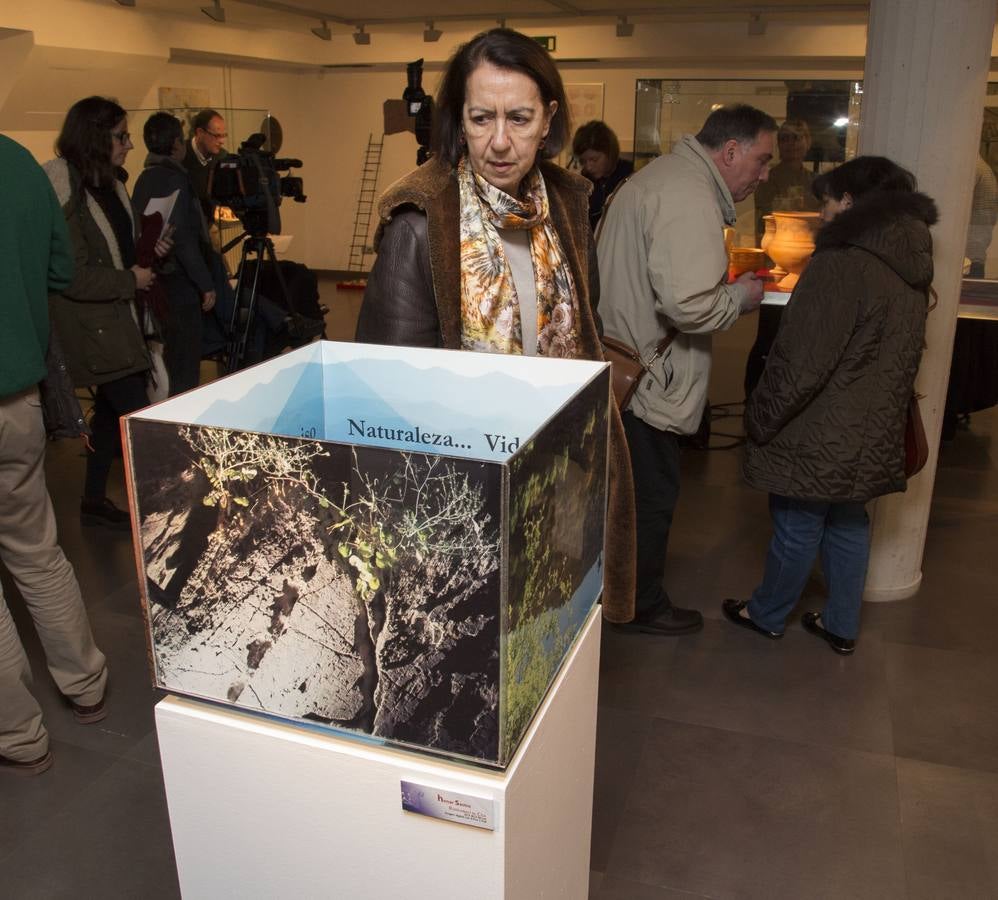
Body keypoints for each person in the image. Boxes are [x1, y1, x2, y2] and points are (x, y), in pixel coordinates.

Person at [356, 27, 635, 624]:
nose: (500, 143)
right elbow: (391, 394)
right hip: (466, 487)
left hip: (561, 469)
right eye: (481, 119)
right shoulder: (421, 224)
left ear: (549, 119)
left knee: (551, 628)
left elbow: (584, 329)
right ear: (459, 119)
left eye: (519, 118)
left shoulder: (564, 207)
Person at [723, 156, 936, 654]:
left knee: (798, 522)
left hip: (818, 426)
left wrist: (761, 418)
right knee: (848, 521)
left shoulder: (842, 262)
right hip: (872, 425)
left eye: (827, 201)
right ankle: (841, 624)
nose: (821, 215)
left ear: (850, 201)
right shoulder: (912, 261)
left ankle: (767, 613)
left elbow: (802, 361)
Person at [597, 104, 776, 635]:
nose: (764, 174)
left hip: (623, 364)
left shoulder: (663, 179)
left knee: (626, 495)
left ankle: (616, 594)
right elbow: (690, 305)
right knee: (649, 498)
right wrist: (741, 298)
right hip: (648, 380)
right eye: (761, 161)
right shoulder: (689, 196)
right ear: (730, 152)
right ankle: (639, 605)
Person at [0, 134, 109, 777]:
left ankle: (18, 735)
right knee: (37, 552)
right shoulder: (15, 161)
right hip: (18, 403)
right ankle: (87, 687)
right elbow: (61, 272)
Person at [44, 96, 162, 529]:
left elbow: (118, 250)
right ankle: (169, 505)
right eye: (121, 136)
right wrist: (131, 279)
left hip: (115, 319)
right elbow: (71, 276)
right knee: (138, 420)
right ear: (95, 138)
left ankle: (94, 500)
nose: (129, 145)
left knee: (114, 416)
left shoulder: (109, 184)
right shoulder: (67, 192)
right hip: (94, 326)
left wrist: (146, 257)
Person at [133, 112, 216, 396]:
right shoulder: (177, 180)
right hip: (178, 282)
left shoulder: (143, 179)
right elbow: (183, 239)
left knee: (166, 358)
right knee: (184, 359)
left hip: (155, 280)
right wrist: (205, 283)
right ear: (177, 145)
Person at [745, 119, 821, 397]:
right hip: (775, 266)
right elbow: (763, 222)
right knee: (768, 335)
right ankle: (753, 395)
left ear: (807, 142)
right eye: (785, 138)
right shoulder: (768, 179)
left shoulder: (815, 181)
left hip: (807, 269)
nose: (790, 144)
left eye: (796, 138)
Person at [572, 120, 634, 230]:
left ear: (610, 153)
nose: (588, 167)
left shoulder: (630, 175)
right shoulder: (583, 183)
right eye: (583, 161)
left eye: (594, 159)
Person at [183, 108, 227, 219]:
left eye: (224, 135)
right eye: (217, 136)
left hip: (211, 224)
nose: (222, 141)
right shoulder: (181, 156)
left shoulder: (223, 157)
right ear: (200, 133)